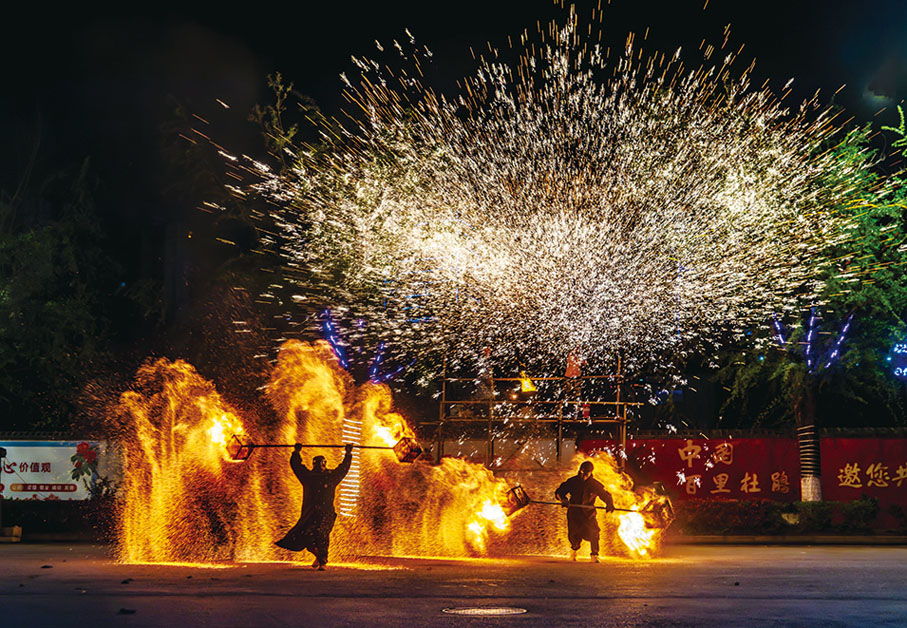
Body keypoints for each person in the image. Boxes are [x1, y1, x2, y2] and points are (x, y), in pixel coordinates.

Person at [275, 443, 353, 570]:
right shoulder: (309, 477)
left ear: (324, 464)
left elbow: (343, 468)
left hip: (326, 513)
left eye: (321, 463)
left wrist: (348, 455)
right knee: (307, 536)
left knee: (322, 533)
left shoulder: (329, 477)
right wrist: (296, 452)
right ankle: (319, 556)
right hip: (311, 513)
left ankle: (322, 559)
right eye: (317, 463)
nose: (319, 466)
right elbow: (296, 466)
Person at [554, 460, 615, 562]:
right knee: (574, 535)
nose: (584, 475)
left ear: (591, 472)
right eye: (583, 472)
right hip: (574, 513)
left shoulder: (595, 484)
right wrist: (563, 499)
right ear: (580, 470)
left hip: (588, 513)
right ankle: (574, 549)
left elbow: (605, 495)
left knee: (594, 532)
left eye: (587, 473)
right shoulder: (572, 482)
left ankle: (594, 554)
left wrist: (609, 504)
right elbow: (560, 492)